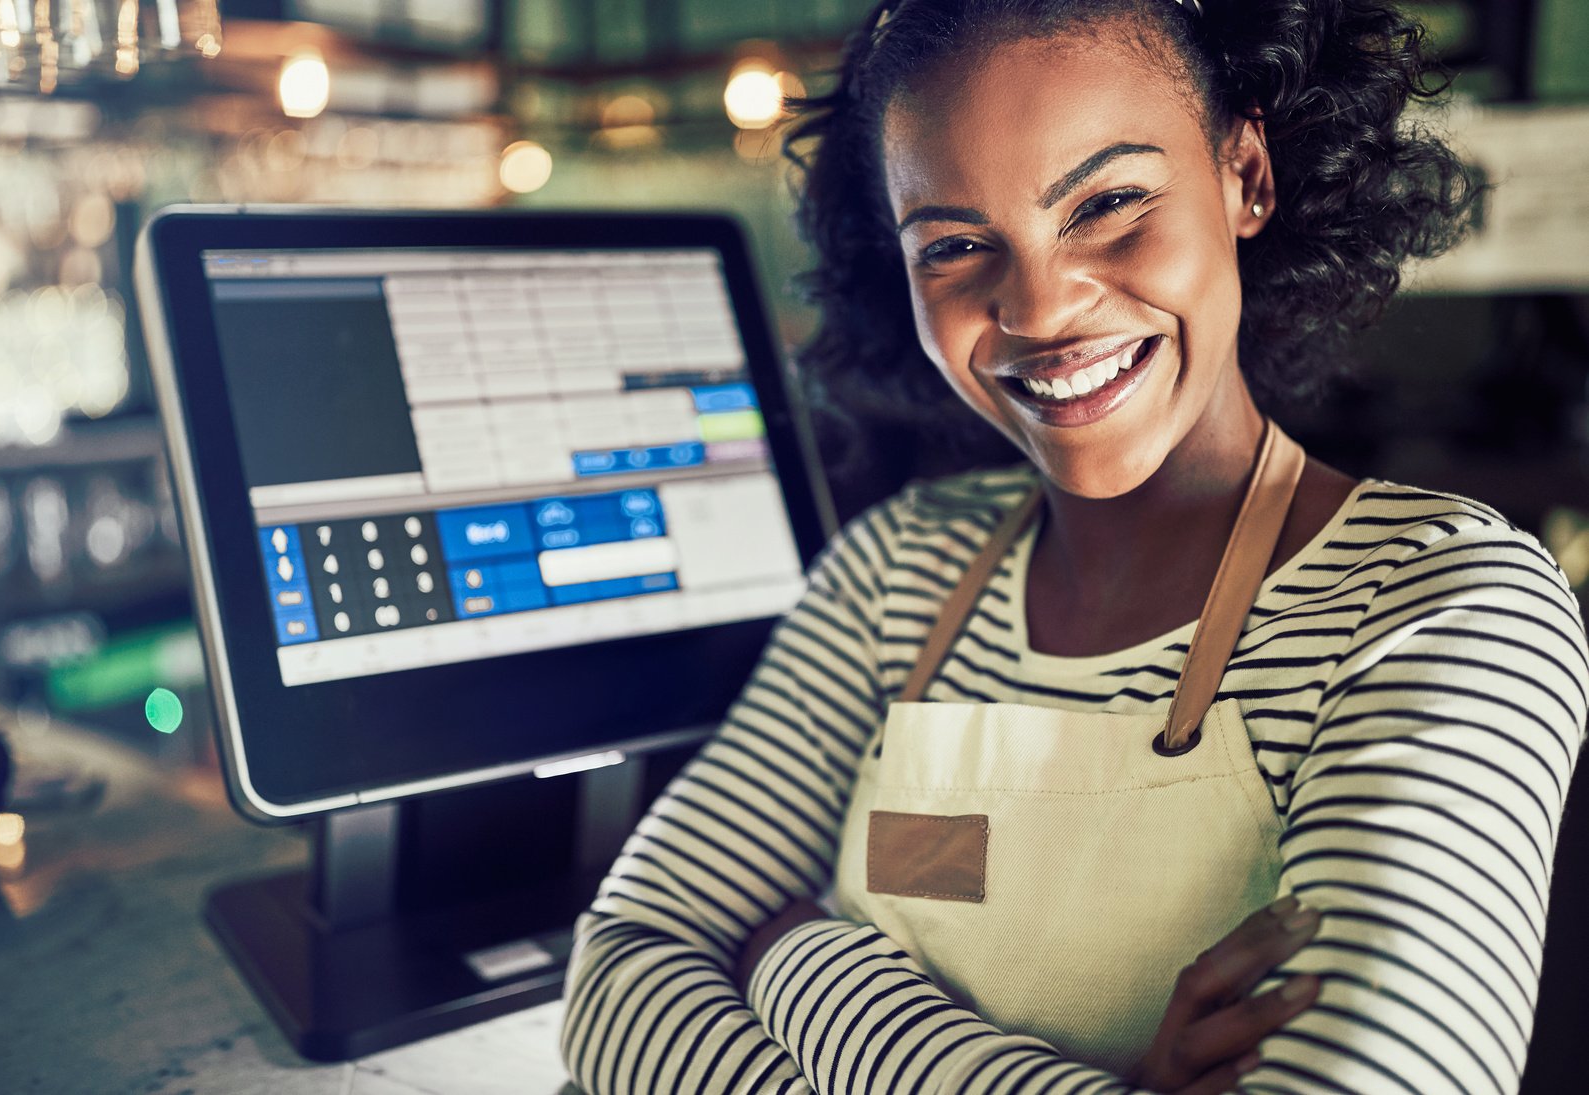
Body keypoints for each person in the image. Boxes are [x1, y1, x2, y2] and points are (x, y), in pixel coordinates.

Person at [559, 0, 1589, 1091]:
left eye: (1105, 204)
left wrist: (806, 965)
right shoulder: (892, 572)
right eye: (954, 245)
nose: (1040, 309)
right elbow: (621, 982)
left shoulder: (1443, 605)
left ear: (1245, 176)